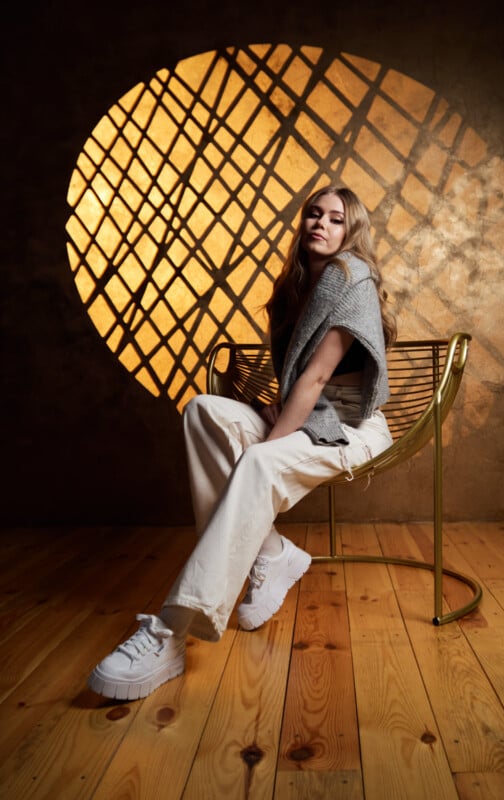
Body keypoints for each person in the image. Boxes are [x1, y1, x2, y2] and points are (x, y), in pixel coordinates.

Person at [88, 185, 397, 700]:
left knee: (257, 462)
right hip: (314, 414)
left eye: (336, 220)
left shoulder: (350, 279)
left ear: (352, 231)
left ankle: (169, 633)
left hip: (353, 430)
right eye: (313, 214)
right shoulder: (301, 285)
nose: (320, 224)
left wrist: (273, 438)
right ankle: (270, 552)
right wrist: (281, 409)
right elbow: (300, 378)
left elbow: (317, 377)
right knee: (202, 411)